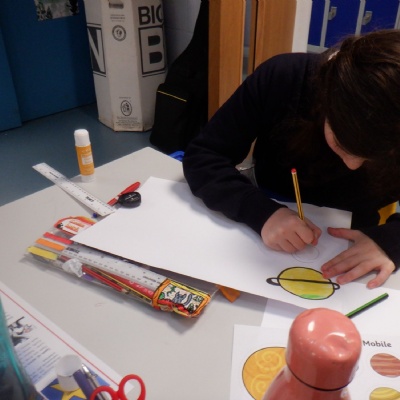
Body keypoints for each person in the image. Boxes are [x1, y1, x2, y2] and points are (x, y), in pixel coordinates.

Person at [182, 29, 400, 289]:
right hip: (264, 207)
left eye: (376, 157)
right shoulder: (284, 78)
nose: (352, 165)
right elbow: (204, 156)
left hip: (358, 240)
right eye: (341, 144)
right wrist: (261, 212)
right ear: (325, 103)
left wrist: (390, 241)